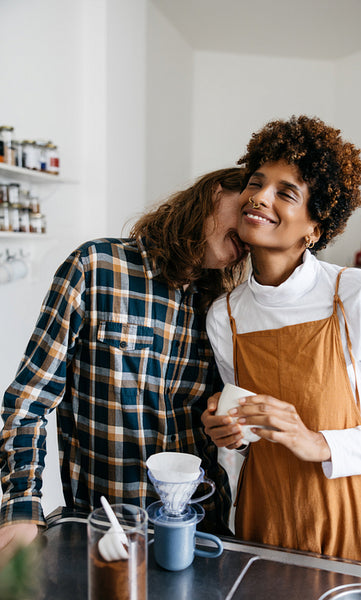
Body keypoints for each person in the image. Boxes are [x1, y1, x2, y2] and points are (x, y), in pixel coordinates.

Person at [0, 167, 248, 562]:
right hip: (107, 530)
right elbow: (29, 399)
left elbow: (232, 421)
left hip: (199, 531)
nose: (251, 230)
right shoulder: (96, 267)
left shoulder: (226, 307)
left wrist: (232, 430)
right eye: (246, 207)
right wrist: (21, 504)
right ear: (215, 192)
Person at [202, 115, 361, 569]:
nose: (259, 197)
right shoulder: (225, 315)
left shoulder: (355, 293)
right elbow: (247, 442)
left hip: (355, 525)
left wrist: (318, 443)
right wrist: (227, 434)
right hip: (265, 524)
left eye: (286, 192)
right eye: (256, 182)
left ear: (314, 228)